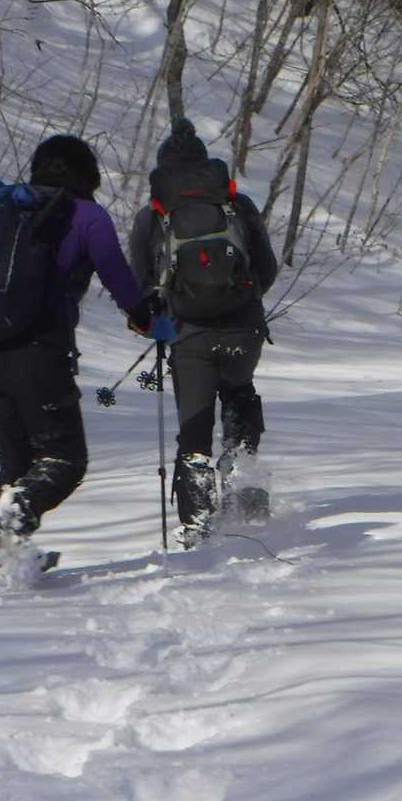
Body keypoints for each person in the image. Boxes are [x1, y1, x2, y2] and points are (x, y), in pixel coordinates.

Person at [0, 134, 171, 550]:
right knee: (64, 460)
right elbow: (118, 279)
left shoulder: (4, 209)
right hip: (38, 352)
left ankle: (2, 558)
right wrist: (148, 320)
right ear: (88, 174)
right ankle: (9, 516)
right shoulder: (87, 216)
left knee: (18, 463)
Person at [129, 119, 278, 545]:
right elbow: (266, 268)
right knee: (239, 394)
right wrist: (243, 299)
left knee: (194, 426)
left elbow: (140, 282)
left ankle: (197, 523)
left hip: (188, 333)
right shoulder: (237, 205)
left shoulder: (154, 214)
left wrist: (158, 316)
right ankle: (244, 489)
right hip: (243, 327)